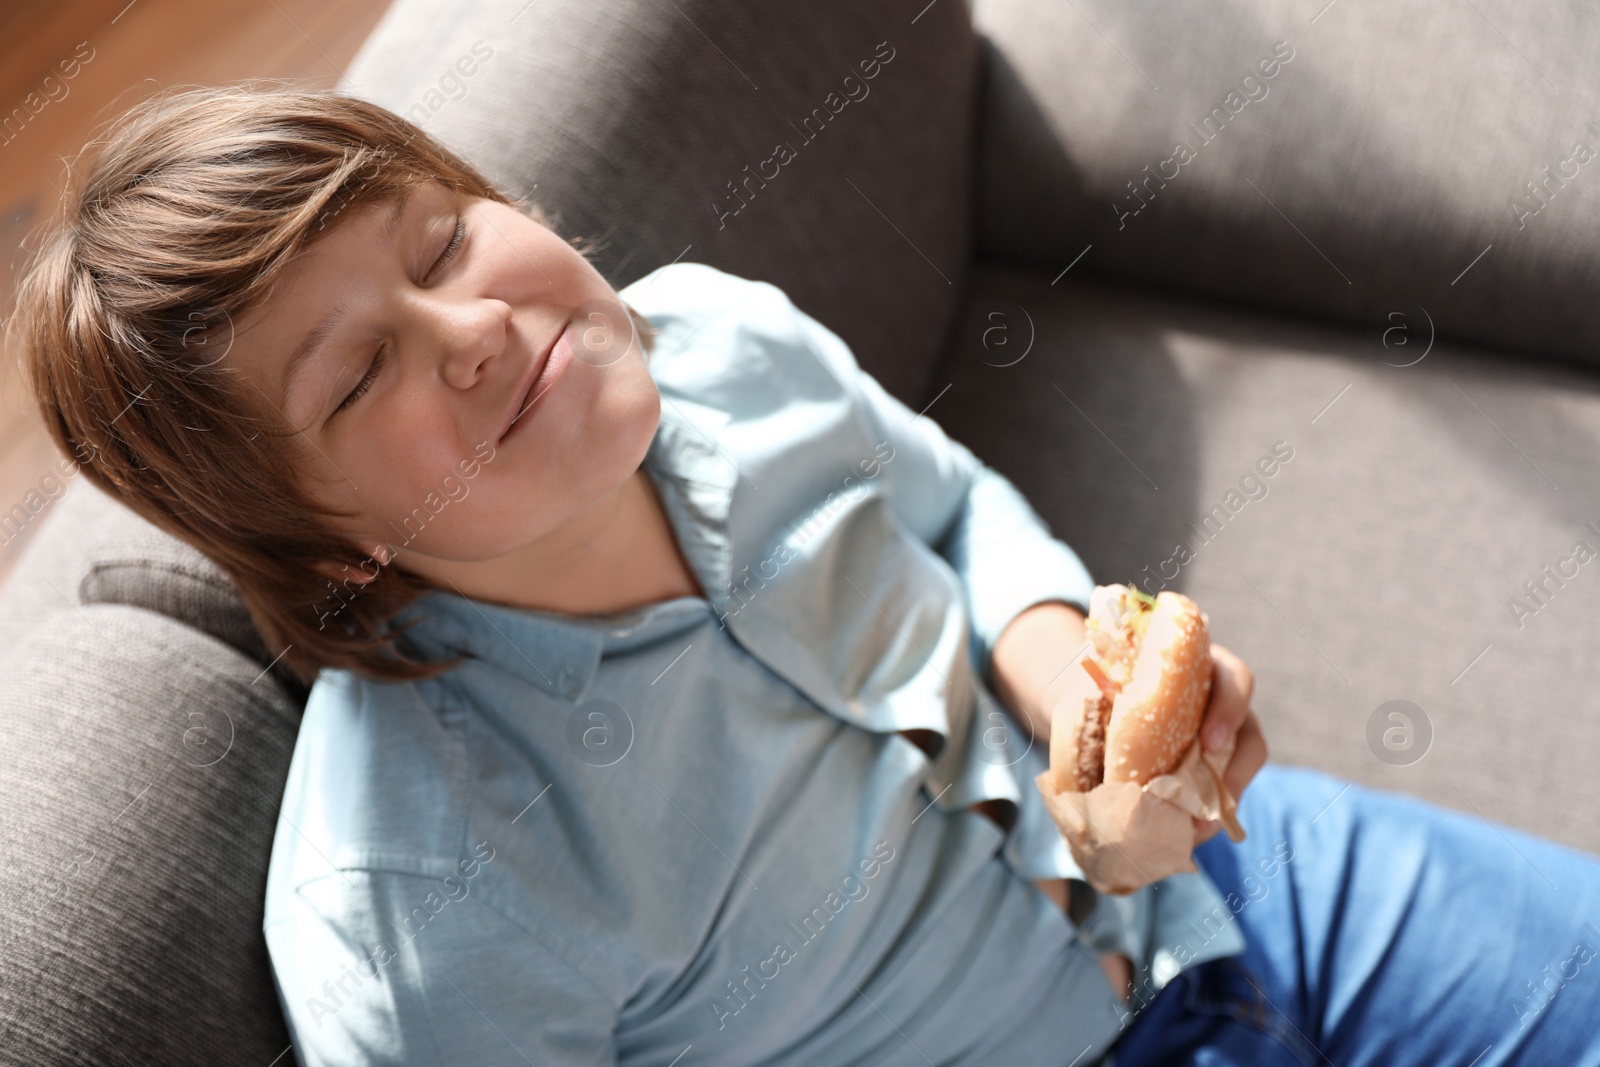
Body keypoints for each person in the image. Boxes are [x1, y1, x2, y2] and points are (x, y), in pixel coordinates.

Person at [12, 85, 1600, 1067]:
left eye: (437, 244)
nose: (476, 327)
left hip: (1248, 891)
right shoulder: (419, 909)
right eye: (360, 376)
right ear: (322, 540)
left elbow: (952, 510)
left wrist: (1069, 684)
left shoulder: (721, 337)